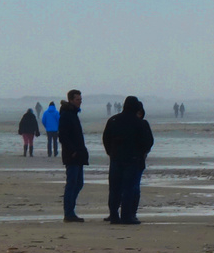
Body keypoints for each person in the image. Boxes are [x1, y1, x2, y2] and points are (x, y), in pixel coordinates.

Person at [101, 95, 154, 224]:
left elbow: (106, 138)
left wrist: (111, 152)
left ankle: (114, 215)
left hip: (116, 158)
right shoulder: (139, 122)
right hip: (133, 159)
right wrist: (141, 153)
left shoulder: (113, 120)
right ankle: (126, 216)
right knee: (129, 188)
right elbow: (147, 141)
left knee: (114, 188)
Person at [58, 89, 88, 222]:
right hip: (72, 156)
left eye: (80, 100)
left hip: (78, 154)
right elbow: (63, 136)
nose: (80, 102)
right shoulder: (66, 114)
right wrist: (73, 151)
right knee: (72, 184)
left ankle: (70, 211)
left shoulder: (73, 113)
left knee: (79, 183)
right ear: (71, 100)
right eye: (77, 100)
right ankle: (69, 213)